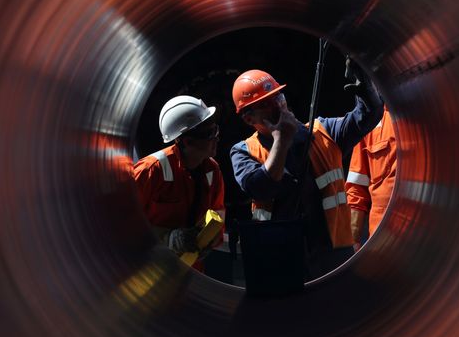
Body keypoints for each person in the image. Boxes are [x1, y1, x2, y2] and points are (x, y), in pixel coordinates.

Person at [230, 65, 383, 279]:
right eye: (266, 103)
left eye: (278, 95)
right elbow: (261, 187)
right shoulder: (243, 151)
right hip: (281, 261)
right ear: (249, 119)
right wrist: (282, 140)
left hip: (333, 256)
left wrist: (366, 89)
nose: (279, 104)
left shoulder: (324, 132)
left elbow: (367, 116)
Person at [133, 95, 225, 270]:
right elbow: (118, 223)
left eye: (216, 130)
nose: (217, 137)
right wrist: (167, 238)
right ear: (187, 141)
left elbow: (218, 213)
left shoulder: (212, 171)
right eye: (209, 134)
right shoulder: (151, 170)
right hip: (147, 270)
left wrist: (210, 240)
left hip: (190, 270)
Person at [346, 105, 396, 250]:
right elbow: (357, 188)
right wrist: (353, 242)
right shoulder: (372, 122)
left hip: (425, 240)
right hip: (382, 245)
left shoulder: (430, 118)